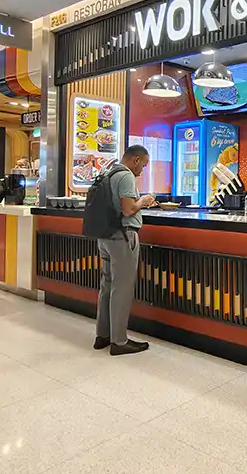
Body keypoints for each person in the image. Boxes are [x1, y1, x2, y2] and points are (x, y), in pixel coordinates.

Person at [94, 145, 155, 356]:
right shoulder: (126, 176)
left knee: (107, 286)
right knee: (122, 288)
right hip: (123, 236)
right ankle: (119, 341)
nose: (142, 171)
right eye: (144, 165)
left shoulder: (109, 171)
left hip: (105, 236)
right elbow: (129, 209)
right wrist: (144, 201)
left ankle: (103, 335)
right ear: (135, 160)